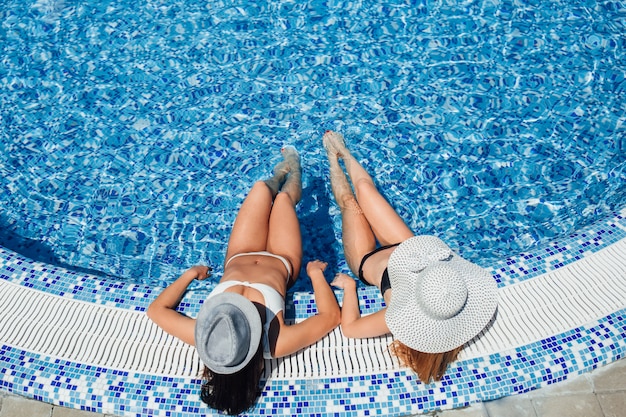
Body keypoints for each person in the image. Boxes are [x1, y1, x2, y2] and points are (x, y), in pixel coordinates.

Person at [147, 147, 340, 415]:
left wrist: (189, 274)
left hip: (241, 252)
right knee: (283, 200)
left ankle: (280, 171)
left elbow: (156, 311)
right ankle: (295, 168)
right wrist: (317, 276)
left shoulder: (210, 338)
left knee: (261, 189)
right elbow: (330, 317)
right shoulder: (275, 343)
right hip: (282, 258)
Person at [322, 130, 498, 383]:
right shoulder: (455, 297)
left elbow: (350, 329)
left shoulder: (402, 315)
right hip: (408, 247)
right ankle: (346, 153)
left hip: (368, 259)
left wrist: (350, 288)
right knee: (364, 188)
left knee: (350, 202)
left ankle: (332, 157)